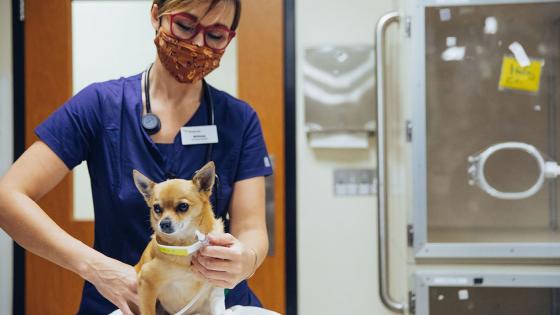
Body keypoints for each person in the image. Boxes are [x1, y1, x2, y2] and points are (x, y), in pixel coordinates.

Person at [0, 0, 273, 314]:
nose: (198, 44)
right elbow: (8, 197)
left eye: (215, 36)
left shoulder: (239, 119)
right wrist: (96, 268)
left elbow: (252, 228)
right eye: (185, 25)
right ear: (156, 15)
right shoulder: (101, 106)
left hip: (213, 303)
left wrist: (246, 260)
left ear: (230, 38)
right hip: (123, 302)